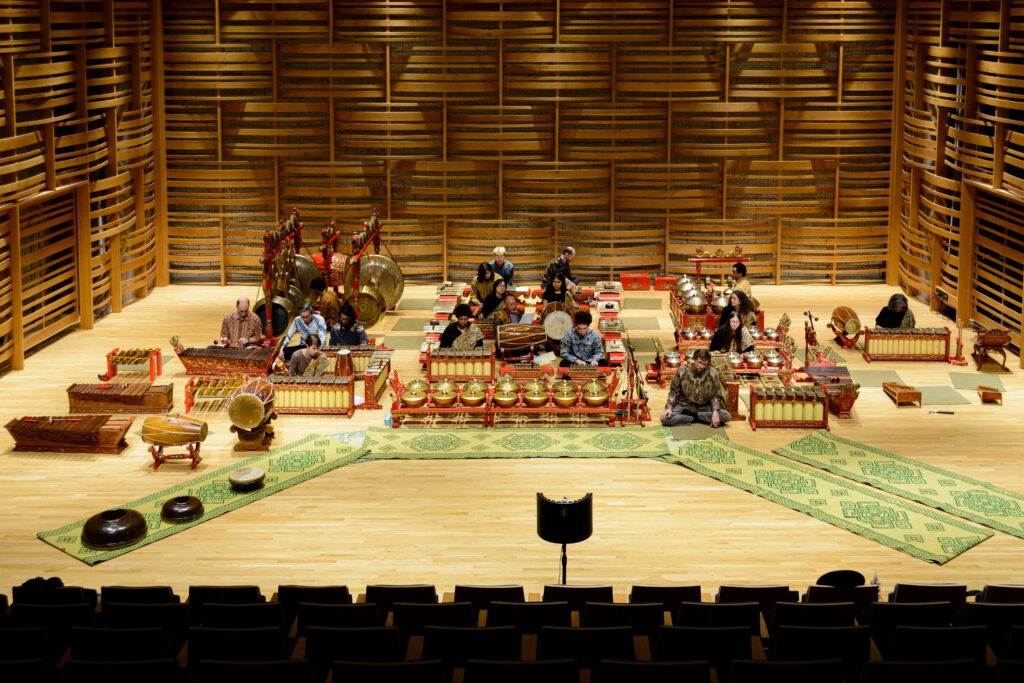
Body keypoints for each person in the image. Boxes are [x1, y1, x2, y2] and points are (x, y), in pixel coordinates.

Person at [660, 348, 731, 427]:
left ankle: (693, 417)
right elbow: (673, 392)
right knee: (665, 419)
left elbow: (716, 395)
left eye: (704, 364)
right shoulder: (682, 370)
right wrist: (669, 408)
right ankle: (701, 418)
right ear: (694, 359)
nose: (701, 366)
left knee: (726, 416)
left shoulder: (713, 372)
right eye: (699, 363)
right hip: (684, 406)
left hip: (705, 406)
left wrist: (715, 411)